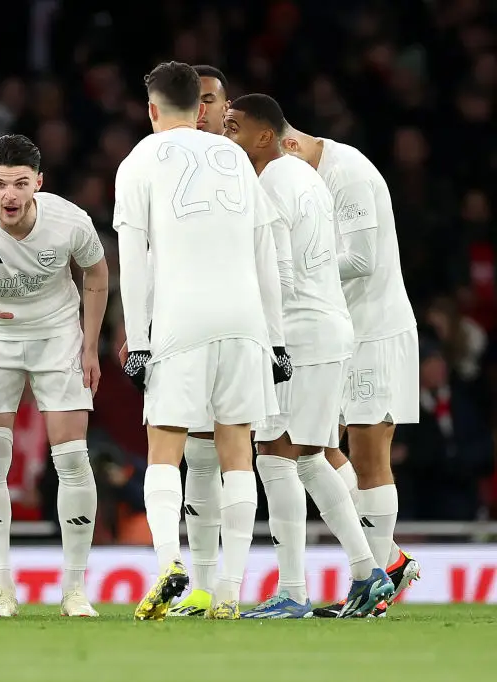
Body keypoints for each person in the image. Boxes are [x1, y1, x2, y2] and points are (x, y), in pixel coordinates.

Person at [115, 62, 289, 621]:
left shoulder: (140, 159)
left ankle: (170, 562)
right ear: (202, 107)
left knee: (165, 447)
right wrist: (277, 339)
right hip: (245, 320)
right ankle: (230, 591)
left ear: (152, 108)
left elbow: (133, 257)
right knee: (238, 453)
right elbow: (265, 251)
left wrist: (138, 339)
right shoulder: (236, 157)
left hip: (180, 318)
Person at [225, 94, 394, 618]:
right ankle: (368, 573)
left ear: (263, 136)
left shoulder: (270, 184)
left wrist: (263, 335)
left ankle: (295, 591)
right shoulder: (305, 176)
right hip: (327, 328)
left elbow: (279, 273)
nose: (226, 136)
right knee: (308, 456)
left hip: (298, 333)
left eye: (233, 127)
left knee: (275, 454)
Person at [0, 134, 109, 617]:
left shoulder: (70, 220)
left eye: (19, 183)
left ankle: (74, 591)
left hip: (57, 334)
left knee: (72, 457)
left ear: (38, 183)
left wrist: (90, 345)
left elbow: (97, 274)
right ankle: (2, 590)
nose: (8, 195)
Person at [283, 117, 421, 617]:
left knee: (368, 454)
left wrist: (290, 271)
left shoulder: (350, 173)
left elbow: (361, 260)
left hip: (374, 331)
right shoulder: (305, 172)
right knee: (314, 445)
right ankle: (388, 561)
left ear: (288, 142)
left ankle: (372, 592)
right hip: (337, 330)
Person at [168, 63, 233, 618]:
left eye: (212, 99)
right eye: (199, 100)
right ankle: (206, 586)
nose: (205, 109)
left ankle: (289, 584)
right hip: (190, 324)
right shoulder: (169, 166)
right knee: (199, 453)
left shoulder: (248, 166)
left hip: (247, 327)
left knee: (287, 456)